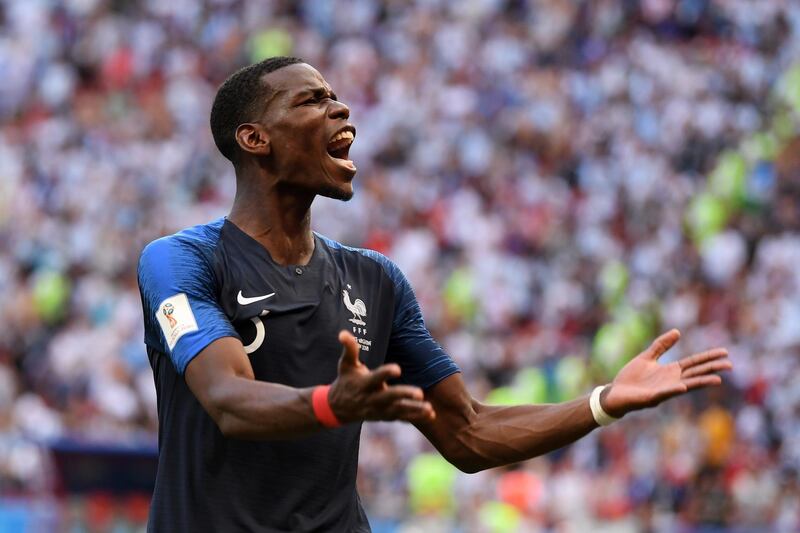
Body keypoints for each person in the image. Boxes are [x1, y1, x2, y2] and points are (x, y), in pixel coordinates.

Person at [137, 56, 732, 532]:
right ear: (254, 138)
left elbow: (467, 432)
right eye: (312, 100)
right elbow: (228, 401)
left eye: (334, 95)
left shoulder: (375, 280)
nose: (340, 106)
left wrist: (602, 402)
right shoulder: (181, 260)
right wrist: (330, 405)